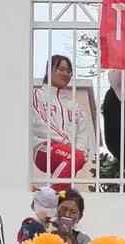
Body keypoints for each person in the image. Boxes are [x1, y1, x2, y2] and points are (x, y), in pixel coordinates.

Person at [31, 55, 97, 184]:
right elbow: (38, 122)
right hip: (44, 147)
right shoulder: (36, 95)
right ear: (49, 71)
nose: (66, 74)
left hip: (69, 153)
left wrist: (80, 152)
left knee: (69, 177)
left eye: (69, 71)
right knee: (75, 158)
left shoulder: (73, 106)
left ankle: (50, 194)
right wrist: (65, 141)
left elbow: (82, 133)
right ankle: (50, 192)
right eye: (61, 69)